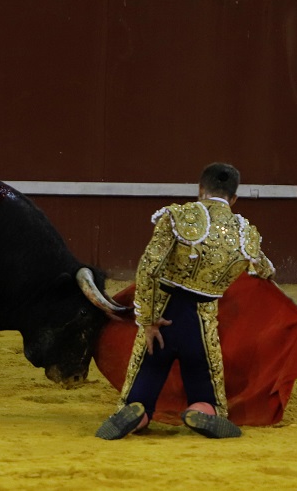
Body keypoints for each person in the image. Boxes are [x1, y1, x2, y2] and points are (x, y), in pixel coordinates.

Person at [96, 162, 275, 440]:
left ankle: (138, 413)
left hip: (163, 319)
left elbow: (149, 268)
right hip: (202, 324)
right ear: (234, 197)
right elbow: (265, 271)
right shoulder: (245, 233)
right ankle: (202, 411)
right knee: (204, 387)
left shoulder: (178, 215)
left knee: (144, 383)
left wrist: (148, 320)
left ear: (200, 189)